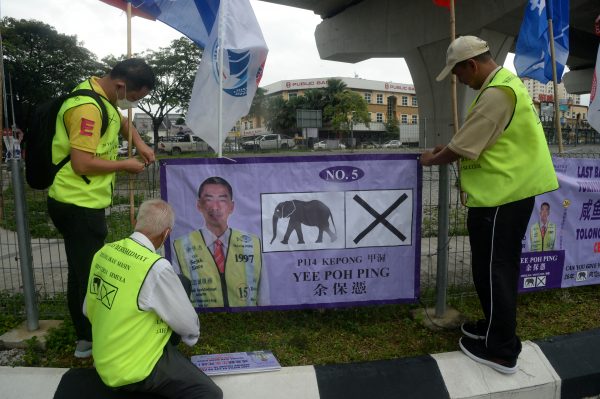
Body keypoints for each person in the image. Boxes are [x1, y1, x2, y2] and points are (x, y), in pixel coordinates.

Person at [420, 36, 558, 374]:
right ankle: (494, 327)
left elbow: (463, 147)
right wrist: (448, 148)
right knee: (489, 267)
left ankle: (501, 349)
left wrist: (431, 159)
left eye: (458, 73)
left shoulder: (497, 93)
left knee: (496, 270)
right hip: (502, 195)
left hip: (503, 197)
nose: (459, 80)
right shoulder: (502, 85)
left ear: (472, 64)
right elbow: (475, 140)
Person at [47, 58, 156, 358]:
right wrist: (125, 165)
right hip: (77, 203)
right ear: (121, 85)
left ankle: (86, 335)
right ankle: (90, 340)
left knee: (80, 270)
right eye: (134, 97)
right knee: (89, 275)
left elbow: (121, 122)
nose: (132, 102)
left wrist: (141, 142)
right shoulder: (88, 108)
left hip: (85, 201)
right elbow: (82, 163)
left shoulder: (103, 97)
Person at [84, 199, 222, 399]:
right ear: (166, 233)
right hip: (133, 371)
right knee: (210, 394)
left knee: (180, 282)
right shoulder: (155, 266)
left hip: (103, 358)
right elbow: (188, 325)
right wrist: (190, 337)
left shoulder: (104, 252)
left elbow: (88, 309)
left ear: (136, 223)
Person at [172, 176, 267, 308]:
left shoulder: (253, 243)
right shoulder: (180, 246)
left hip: (246, 322)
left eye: (222, 200)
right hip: (202, 322)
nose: (215, 207)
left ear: (232, 206)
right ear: (199, 205)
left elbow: (264, 294)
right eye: (208, 200)